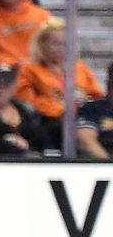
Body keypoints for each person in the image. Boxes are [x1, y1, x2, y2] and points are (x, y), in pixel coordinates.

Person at [14, 18, 106, 147]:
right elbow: (26, 103)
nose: (61, 48)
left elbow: (97, 95)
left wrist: (85, 102)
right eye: (55, 43)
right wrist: (62, 108)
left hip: (83, 119)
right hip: (49, 122)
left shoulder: (80, 67)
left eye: (65, 44)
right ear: (42, 44)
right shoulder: (29, 70)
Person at [77, 61, 113, 159]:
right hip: (102, 164)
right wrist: (108, 164)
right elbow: (85, 141)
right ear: (108, 84)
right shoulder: (92, 109)